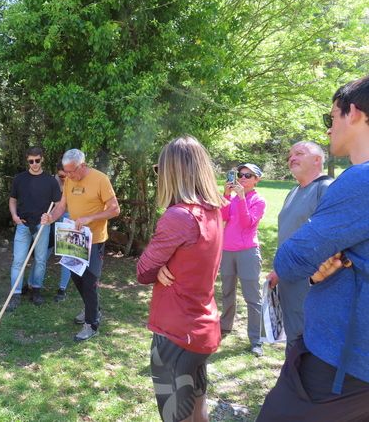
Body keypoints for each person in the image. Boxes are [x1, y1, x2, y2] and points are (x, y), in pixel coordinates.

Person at [258, 76, 369, 421]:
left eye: (331, 118)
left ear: (354, 113)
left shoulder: (360, 180)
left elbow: (291, 259)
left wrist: (318, 255)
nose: (328, 129)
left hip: (340, 364)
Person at [137, 136, 224, 422]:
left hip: (174, 333)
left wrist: (159, 265)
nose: (158, 177)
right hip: (201, 327)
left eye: (159, 170)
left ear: (173, 172)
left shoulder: (179, 216)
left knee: (177, 416)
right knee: (198, 409)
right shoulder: (213, 210)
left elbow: (143, 271)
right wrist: (163, 263)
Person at [41, 148, 120, 341]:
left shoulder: (100, 179)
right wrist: (50, 217)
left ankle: (91, 324)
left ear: (83, 165)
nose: (68, 176)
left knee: (90, 281)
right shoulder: (69, 180)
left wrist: (90, 218)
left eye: (71, 171)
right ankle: (92, 309)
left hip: (94, 239)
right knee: (76, 277)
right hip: (73, 237)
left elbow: (115, 209)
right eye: (65, 172)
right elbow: (62, 206)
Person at [266, 142, 332, 356]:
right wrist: (278, 270)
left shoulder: (326, 189)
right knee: (293, 337)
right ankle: (293, 380)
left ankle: (301, 383)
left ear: (317, 160)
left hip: (312, 284)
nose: (291, 157)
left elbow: (333, 238)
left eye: (299, 153)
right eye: (290, 155)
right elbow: (289, 233)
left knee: (307, 341)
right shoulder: (293, 192)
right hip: (288, 280)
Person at [219, 163, 266, 356]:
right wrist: (226, 194)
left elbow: (247, 223)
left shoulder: (259, 200)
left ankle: (256, 340)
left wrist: (241, 198)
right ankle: (224, 326)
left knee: (252, 298)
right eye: (240, 175)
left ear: (257, 179)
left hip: (248, 252)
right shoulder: (233, 197)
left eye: (248, 175)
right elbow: (222, 216)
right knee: (227, 291)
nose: (243, 178)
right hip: (227, 250)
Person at [7, 147, 61, 311]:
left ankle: (36, 290)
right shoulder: (19, 179)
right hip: (23, 224)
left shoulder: (51, 181)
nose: (34, 164)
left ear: (42, 159)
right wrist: (14, 216)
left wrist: (50, 217)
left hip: (42, 225)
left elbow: (58, 204)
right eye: (31, 161)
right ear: (27, 161)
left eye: (37, 160)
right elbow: (12, 200)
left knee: (40, 259)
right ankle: (15, 294)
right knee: (18, 260)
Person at [51, 159, 72, 302]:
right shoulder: (54, 180)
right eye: (61, 176)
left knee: (66, 254)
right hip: (53, 216)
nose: (64, 178)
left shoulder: (76, 180)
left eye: (66, 175)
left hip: (69, 219)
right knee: (46, 250)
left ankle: (62, 289)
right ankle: (33, 284)